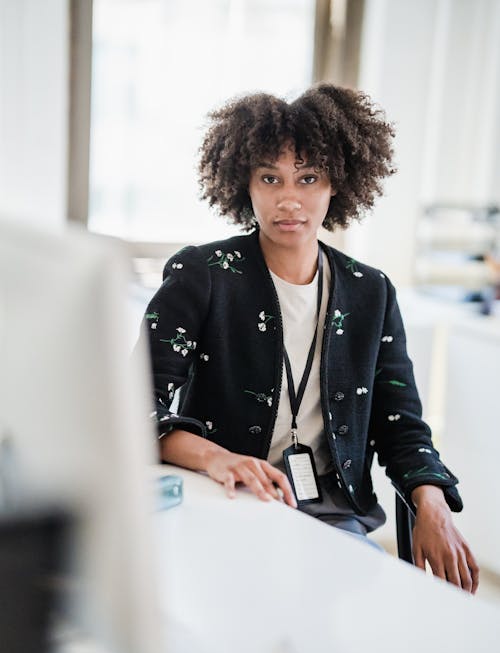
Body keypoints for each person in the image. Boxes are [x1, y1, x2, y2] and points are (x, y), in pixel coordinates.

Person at [141, 83, 479, 593]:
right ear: (245, 184)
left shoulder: (371, 292)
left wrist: (432, 503)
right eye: (270, 178)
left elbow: (401, 423)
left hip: (331, 515)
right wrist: (218, 457)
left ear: (337, 184)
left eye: (309, 177)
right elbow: (134, 407)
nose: (289, 199)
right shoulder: (204, 274)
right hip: (225, 498)